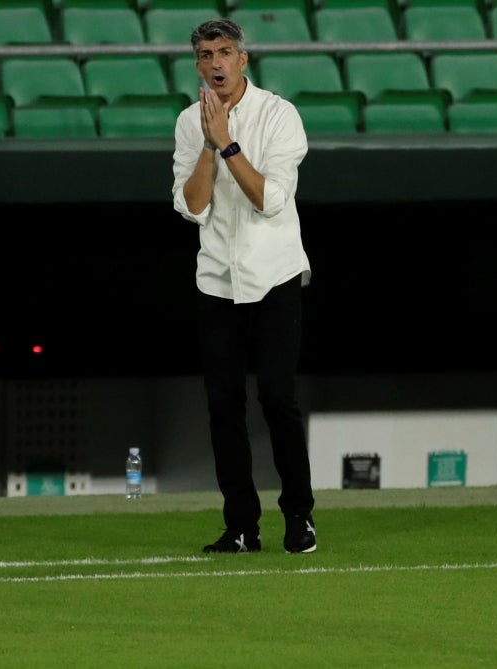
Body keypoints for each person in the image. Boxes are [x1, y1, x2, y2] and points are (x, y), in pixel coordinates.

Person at [171, 18, 317, 555]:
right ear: (198, 64)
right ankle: (240, 527)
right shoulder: (191, 123)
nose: (216, 63)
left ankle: (299, 517)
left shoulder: (280, 116)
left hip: (274, 274)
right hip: (216, 281)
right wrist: (209, 146)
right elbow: (192, 206)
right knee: (223, 405)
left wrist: (228, 143)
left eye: (225, 52)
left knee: (277, 397)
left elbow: (268, 199)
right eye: (206, 54)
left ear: (244, 60)